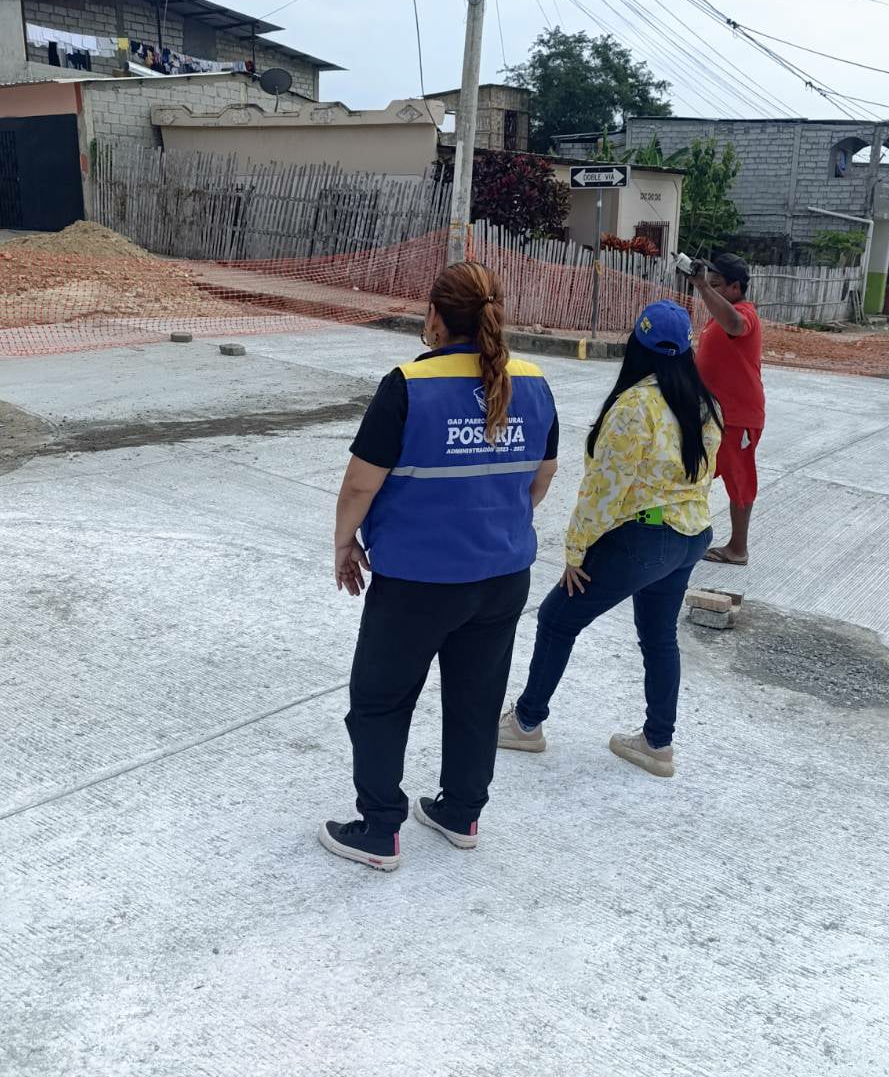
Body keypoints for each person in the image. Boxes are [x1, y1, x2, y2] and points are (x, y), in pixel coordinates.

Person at [320, 260, 559, 872]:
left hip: (418, 583)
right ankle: (461, 812)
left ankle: (380, 829)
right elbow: (542, 478)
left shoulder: (408, 384)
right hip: (502, 577)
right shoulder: (534, 382)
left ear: (434, 316)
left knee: (379, 700)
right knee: (477, 697)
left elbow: (360, 485)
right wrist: (496, 522)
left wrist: (345, 544)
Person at [498, 300, 722, 778]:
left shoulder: (634, 406)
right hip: (690, 534)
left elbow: (604, 490)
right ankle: (658, 743)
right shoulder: (705, 403)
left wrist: (577, 550)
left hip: (645, 537)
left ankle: (526, 722)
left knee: (557, 618)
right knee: (659, 637)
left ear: (636, 346)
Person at [688, 253, 764, 567]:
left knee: (739, 480)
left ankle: (738, 549)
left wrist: (703, 288)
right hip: (713, 414)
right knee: (697, 473)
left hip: (738, 417)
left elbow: (734, 324)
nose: (711, 289)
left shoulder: (744, 314)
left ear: (735, 287)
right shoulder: (716, 316)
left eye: (717, 284)